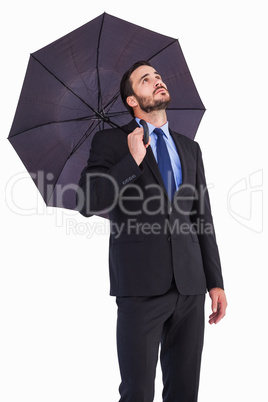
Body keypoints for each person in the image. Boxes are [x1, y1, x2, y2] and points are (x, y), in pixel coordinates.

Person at [77, 61, 227, 402]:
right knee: (137, 393)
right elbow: (87, 201)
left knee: (185, 393)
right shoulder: (111, 142)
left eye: (158, 76)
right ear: (132, 99)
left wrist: (215, 281)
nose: (157, 81)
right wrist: (131, 161)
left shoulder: (190, 148)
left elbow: (202, 216)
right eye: (146, 80)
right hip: (141, 287)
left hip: (190, 287)